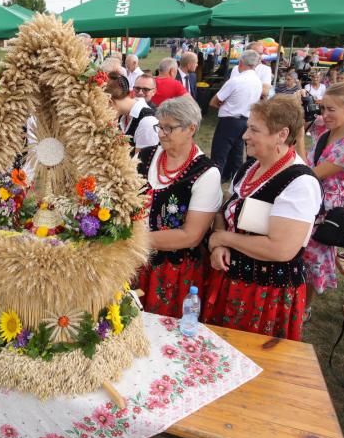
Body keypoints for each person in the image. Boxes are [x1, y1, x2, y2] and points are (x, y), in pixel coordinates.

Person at [203, 98, 322, 341]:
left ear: (282, 135)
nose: (245, 135)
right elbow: (224, 210)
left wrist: (223, 238)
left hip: (265, 291)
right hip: (230, 278)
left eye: (254, 130)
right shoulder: (249, 168)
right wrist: (220, 246)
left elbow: (281, 249)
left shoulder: (300, 183)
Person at [135, 97, 221, 317]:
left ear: (191, 129)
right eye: (159, 126)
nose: (161, 133)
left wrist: (133, 241)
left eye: (169, 128)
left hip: (172, 270)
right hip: (133, 261)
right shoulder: (144, 156)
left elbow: (190, 236)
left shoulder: (205, 173)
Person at [302, 83, 344, 313]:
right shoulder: (325, 131)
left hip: (323, 209)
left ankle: (303, 310)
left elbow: (309, 174)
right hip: (306, 199)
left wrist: (299, 135)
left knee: (311, 259)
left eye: (332, 109)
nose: (325, 115)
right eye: (323, 108)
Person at [209, 49, 264, 182]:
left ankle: (214, 180)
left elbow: (213, 102)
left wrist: (224, 105)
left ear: (240, 63)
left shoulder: (235, 80)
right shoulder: (258, 82)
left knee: (219, 153)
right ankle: (236, 180)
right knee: (236, 154)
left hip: (230, 120)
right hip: (246, 120)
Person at [106, 72, 158, 153]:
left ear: (109, 101)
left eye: (146, 89)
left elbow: (141, 160)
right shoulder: (123, 115)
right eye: (137, 88)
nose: (140, 92)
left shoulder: (147, 122)